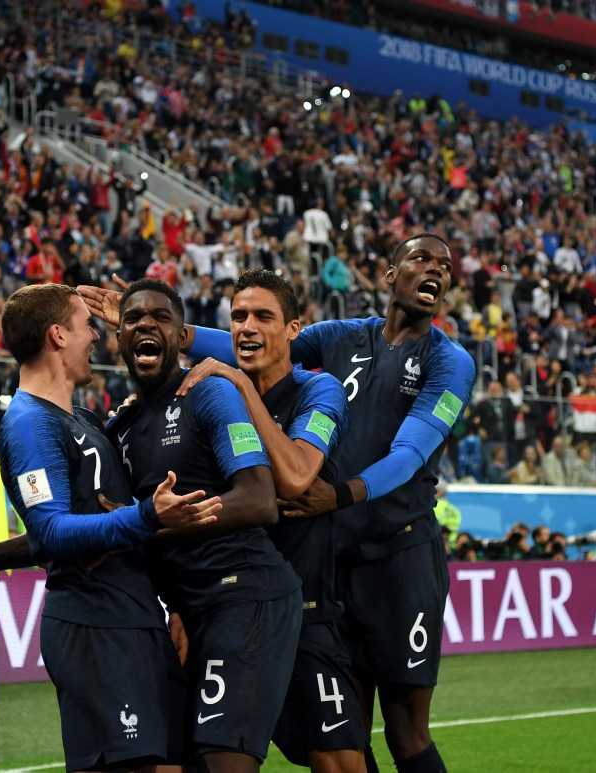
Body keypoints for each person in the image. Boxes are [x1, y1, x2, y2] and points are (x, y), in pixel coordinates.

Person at [81, 233, 476, 772]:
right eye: (421, 258)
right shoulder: (338, 339)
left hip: (399, 554)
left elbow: (411, 453)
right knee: (349, 738)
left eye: (444, 265)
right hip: (330, 564)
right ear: (389, 275)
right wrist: (169, 332)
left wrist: (340, 494)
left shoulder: (450, 362)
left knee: (406, 729)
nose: (435, 269)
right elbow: (258, 344)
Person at [0, 283, 221, 773]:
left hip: (136, 620)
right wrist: (147, 515)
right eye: (86, 326)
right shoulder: (28, 426)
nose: (96, 337)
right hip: (94, 628)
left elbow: (69, 523)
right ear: (58, 336)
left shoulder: (81, 417)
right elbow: (54, 532)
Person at [108, 279, 302, 772]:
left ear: (180, 336)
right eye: (132, 319)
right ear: (119, 338)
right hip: (190, 611)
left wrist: (155, 525)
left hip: (246, 594)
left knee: (224, 762)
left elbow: (260, 501)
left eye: (160, 318)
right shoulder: (122, 427)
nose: (146, 325)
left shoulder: (209, 393)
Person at [174, 269, 364, 772]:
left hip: (307, 611)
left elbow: (299, 475)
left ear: (294, 329)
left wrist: (242, 385)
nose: (246, 326)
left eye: (263, 316)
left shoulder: (318, 392)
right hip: (228, 611)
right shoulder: (209, 398)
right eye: (238, 316)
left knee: (343, 764)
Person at [432, 482, 461, 555]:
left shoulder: (434, 507)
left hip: (439, 546)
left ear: (439, 491)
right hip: (452, 546)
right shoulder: (455, 510)